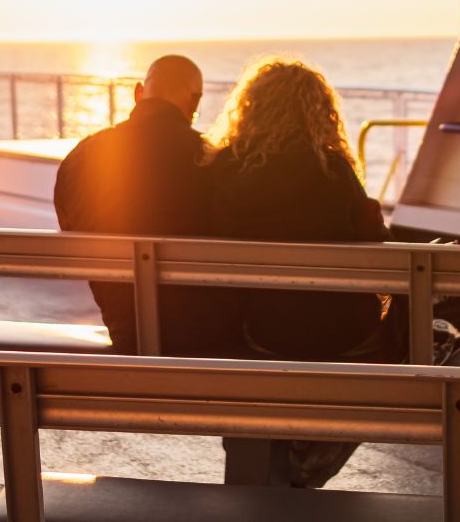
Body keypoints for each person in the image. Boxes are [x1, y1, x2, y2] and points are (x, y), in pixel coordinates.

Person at [207, 58, 391, 487]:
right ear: (319, 112)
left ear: (250, 107)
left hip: (261, 333)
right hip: (341, 336)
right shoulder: (333, 171)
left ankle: (266, 472)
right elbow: (376, 248)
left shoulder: (223, 171)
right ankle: (309, 452)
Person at [53, 54, 238, 356]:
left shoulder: (81, 157)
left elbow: (69, 230)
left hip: (126, 332)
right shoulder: (213, 159)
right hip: (206, 341)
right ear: (195, 102)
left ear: (139, 93)